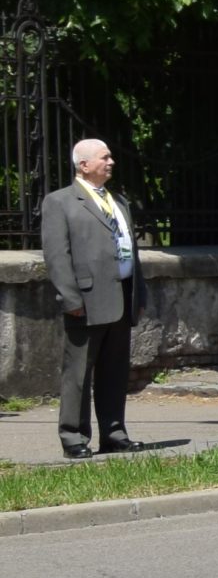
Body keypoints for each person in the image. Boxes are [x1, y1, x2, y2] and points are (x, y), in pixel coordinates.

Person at [40, 138, 143, 458]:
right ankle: (73, 437)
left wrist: (139, 292)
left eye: (111, 156)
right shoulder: (60, 202)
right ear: (83, 165)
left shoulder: (119, 201)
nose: (111, 161)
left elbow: (130, 251)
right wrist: (70, 298)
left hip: (122, 296)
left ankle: (113, 433)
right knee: (78, 373)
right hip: (84, 300)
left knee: (115, 371)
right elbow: (57, 256)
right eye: (104, 157)